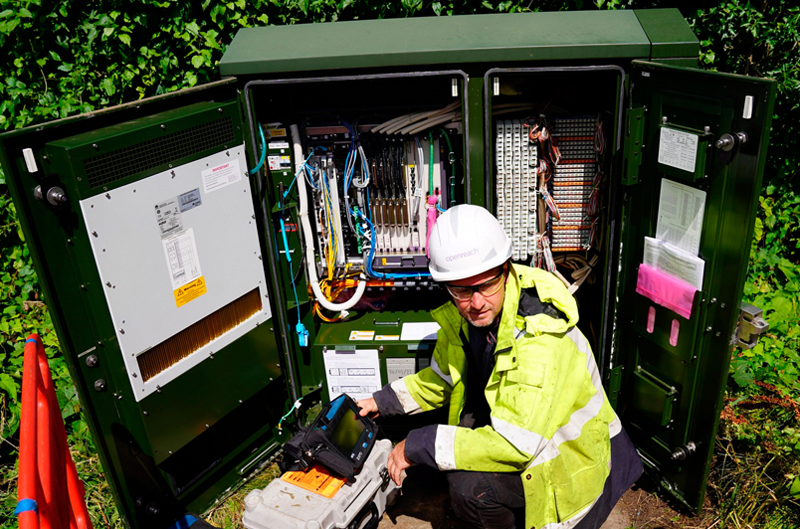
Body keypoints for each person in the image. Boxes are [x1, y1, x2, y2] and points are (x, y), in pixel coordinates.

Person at [357, 204, 642, 529]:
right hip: (527, 434)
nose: (476, 303)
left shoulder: (538, 339)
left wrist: (418, 443)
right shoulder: (470, 319)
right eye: (462, 290)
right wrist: (380, 402)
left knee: (471, 489)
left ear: (506, 270)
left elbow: (516, 445)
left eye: (486, 285)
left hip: (572, 467)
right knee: (456, 447)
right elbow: (443, 378)